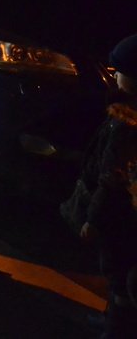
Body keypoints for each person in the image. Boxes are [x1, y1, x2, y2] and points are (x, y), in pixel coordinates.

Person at [62, 34, 137, 336]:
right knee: (118, 274)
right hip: (122, 217)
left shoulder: (127, 125)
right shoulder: (123, 112)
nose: (115, 76)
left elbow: (112, 181)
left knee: (117, 273)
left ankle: (116, 329)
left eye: (121, 72)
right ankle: (112, 319)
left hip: (117, 220)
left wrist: (93, 220)